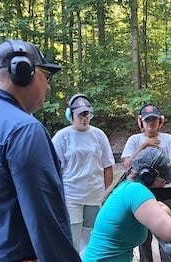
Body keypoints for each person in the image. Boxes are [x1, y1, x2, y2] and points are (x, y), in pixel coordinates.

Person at [0, 39, 80, 261]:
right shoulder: (24, 130)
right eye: (46, 76)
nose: (48, 86)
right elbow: (47, 221)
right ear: (24, 71)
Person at [83, 147, 171, 261]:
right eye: (163, 179)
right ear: (148, 176)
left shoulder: (127, 187)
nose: (166, 182)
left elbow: (164, 216)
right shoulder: (136, 191)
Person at [52, 94, 115, 255]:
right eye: (80, 114)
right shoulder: (61, 137)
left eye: (86, 114)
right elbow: (54, 170)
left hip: (95, 196)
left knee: (92, 239)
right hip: (71, 197)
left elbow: (108, 166)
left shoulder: (99, 135)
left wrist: (104, 192)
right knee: (72, 239)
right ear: (70, 114)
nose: (84, 118)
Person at [121, 104, 171, 262]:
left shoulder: (168, 139)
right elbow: (127, 165)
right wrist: (143, 146)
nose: (151, 123)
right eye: (147, 120)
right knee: (143, 237)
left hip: (164, 192)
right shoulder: (134, 140)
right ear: (141, 121)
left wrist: (161, 174)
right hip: (141, 192)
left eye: (154, 119)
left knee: (167, 232)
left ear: (160, 121)